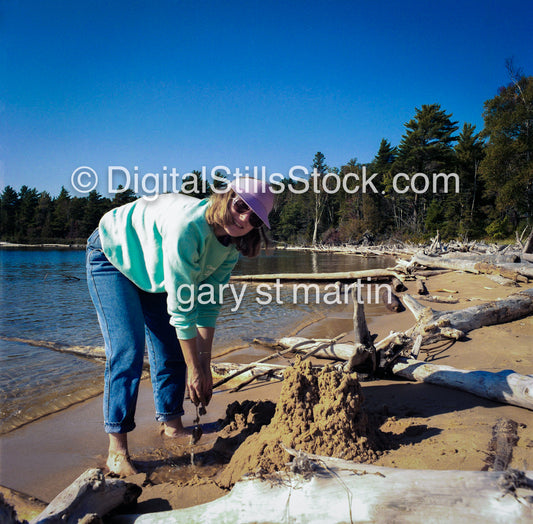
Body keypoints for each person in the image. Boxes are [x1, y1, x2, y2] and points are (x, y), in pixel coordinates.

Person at [86, 177, 274, 476]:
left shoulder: (228, 248)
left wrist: (204, 363)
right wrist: (195, 370)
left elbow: (207, 306)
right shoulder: (187, 227)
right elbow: (182, 311)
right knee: (128, 351)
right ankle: (117, 451)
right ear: (226, 197)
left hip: (153, 267)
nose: (242, 219)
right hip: (114, 255)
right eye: (241, 206)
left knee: (171, 347)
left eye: (253, 217)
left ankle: (172, 425)